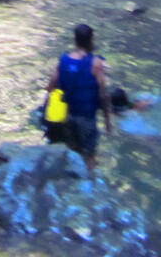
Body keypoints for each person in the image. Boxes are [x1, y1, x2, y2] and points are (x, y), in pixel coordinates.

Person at [46, 23, 112, 170]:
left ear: (75, 40)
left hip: (67, 117)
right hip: (87, 118)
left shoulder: (62, 61)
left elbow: (50, 88)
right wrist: (107, 120)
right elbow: (103, 95)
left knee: (73, 152)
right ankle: (90, 185)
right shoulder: (96, 63)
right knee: (90, 157)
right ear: (90, 40)